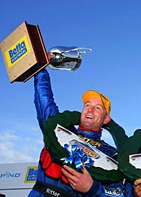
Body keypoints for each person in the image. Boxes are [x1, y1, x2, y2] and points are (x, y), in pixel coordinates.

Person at [28, 69, 130, 197]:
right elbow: (44, 98)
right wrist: (40, 67)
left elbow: (121, 193)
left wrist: (92, 188)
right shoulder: (59, 129)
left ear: (106, 119)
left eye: (98, 108)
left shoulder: (111, 153)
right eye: (87, 105)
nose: (90, 110)